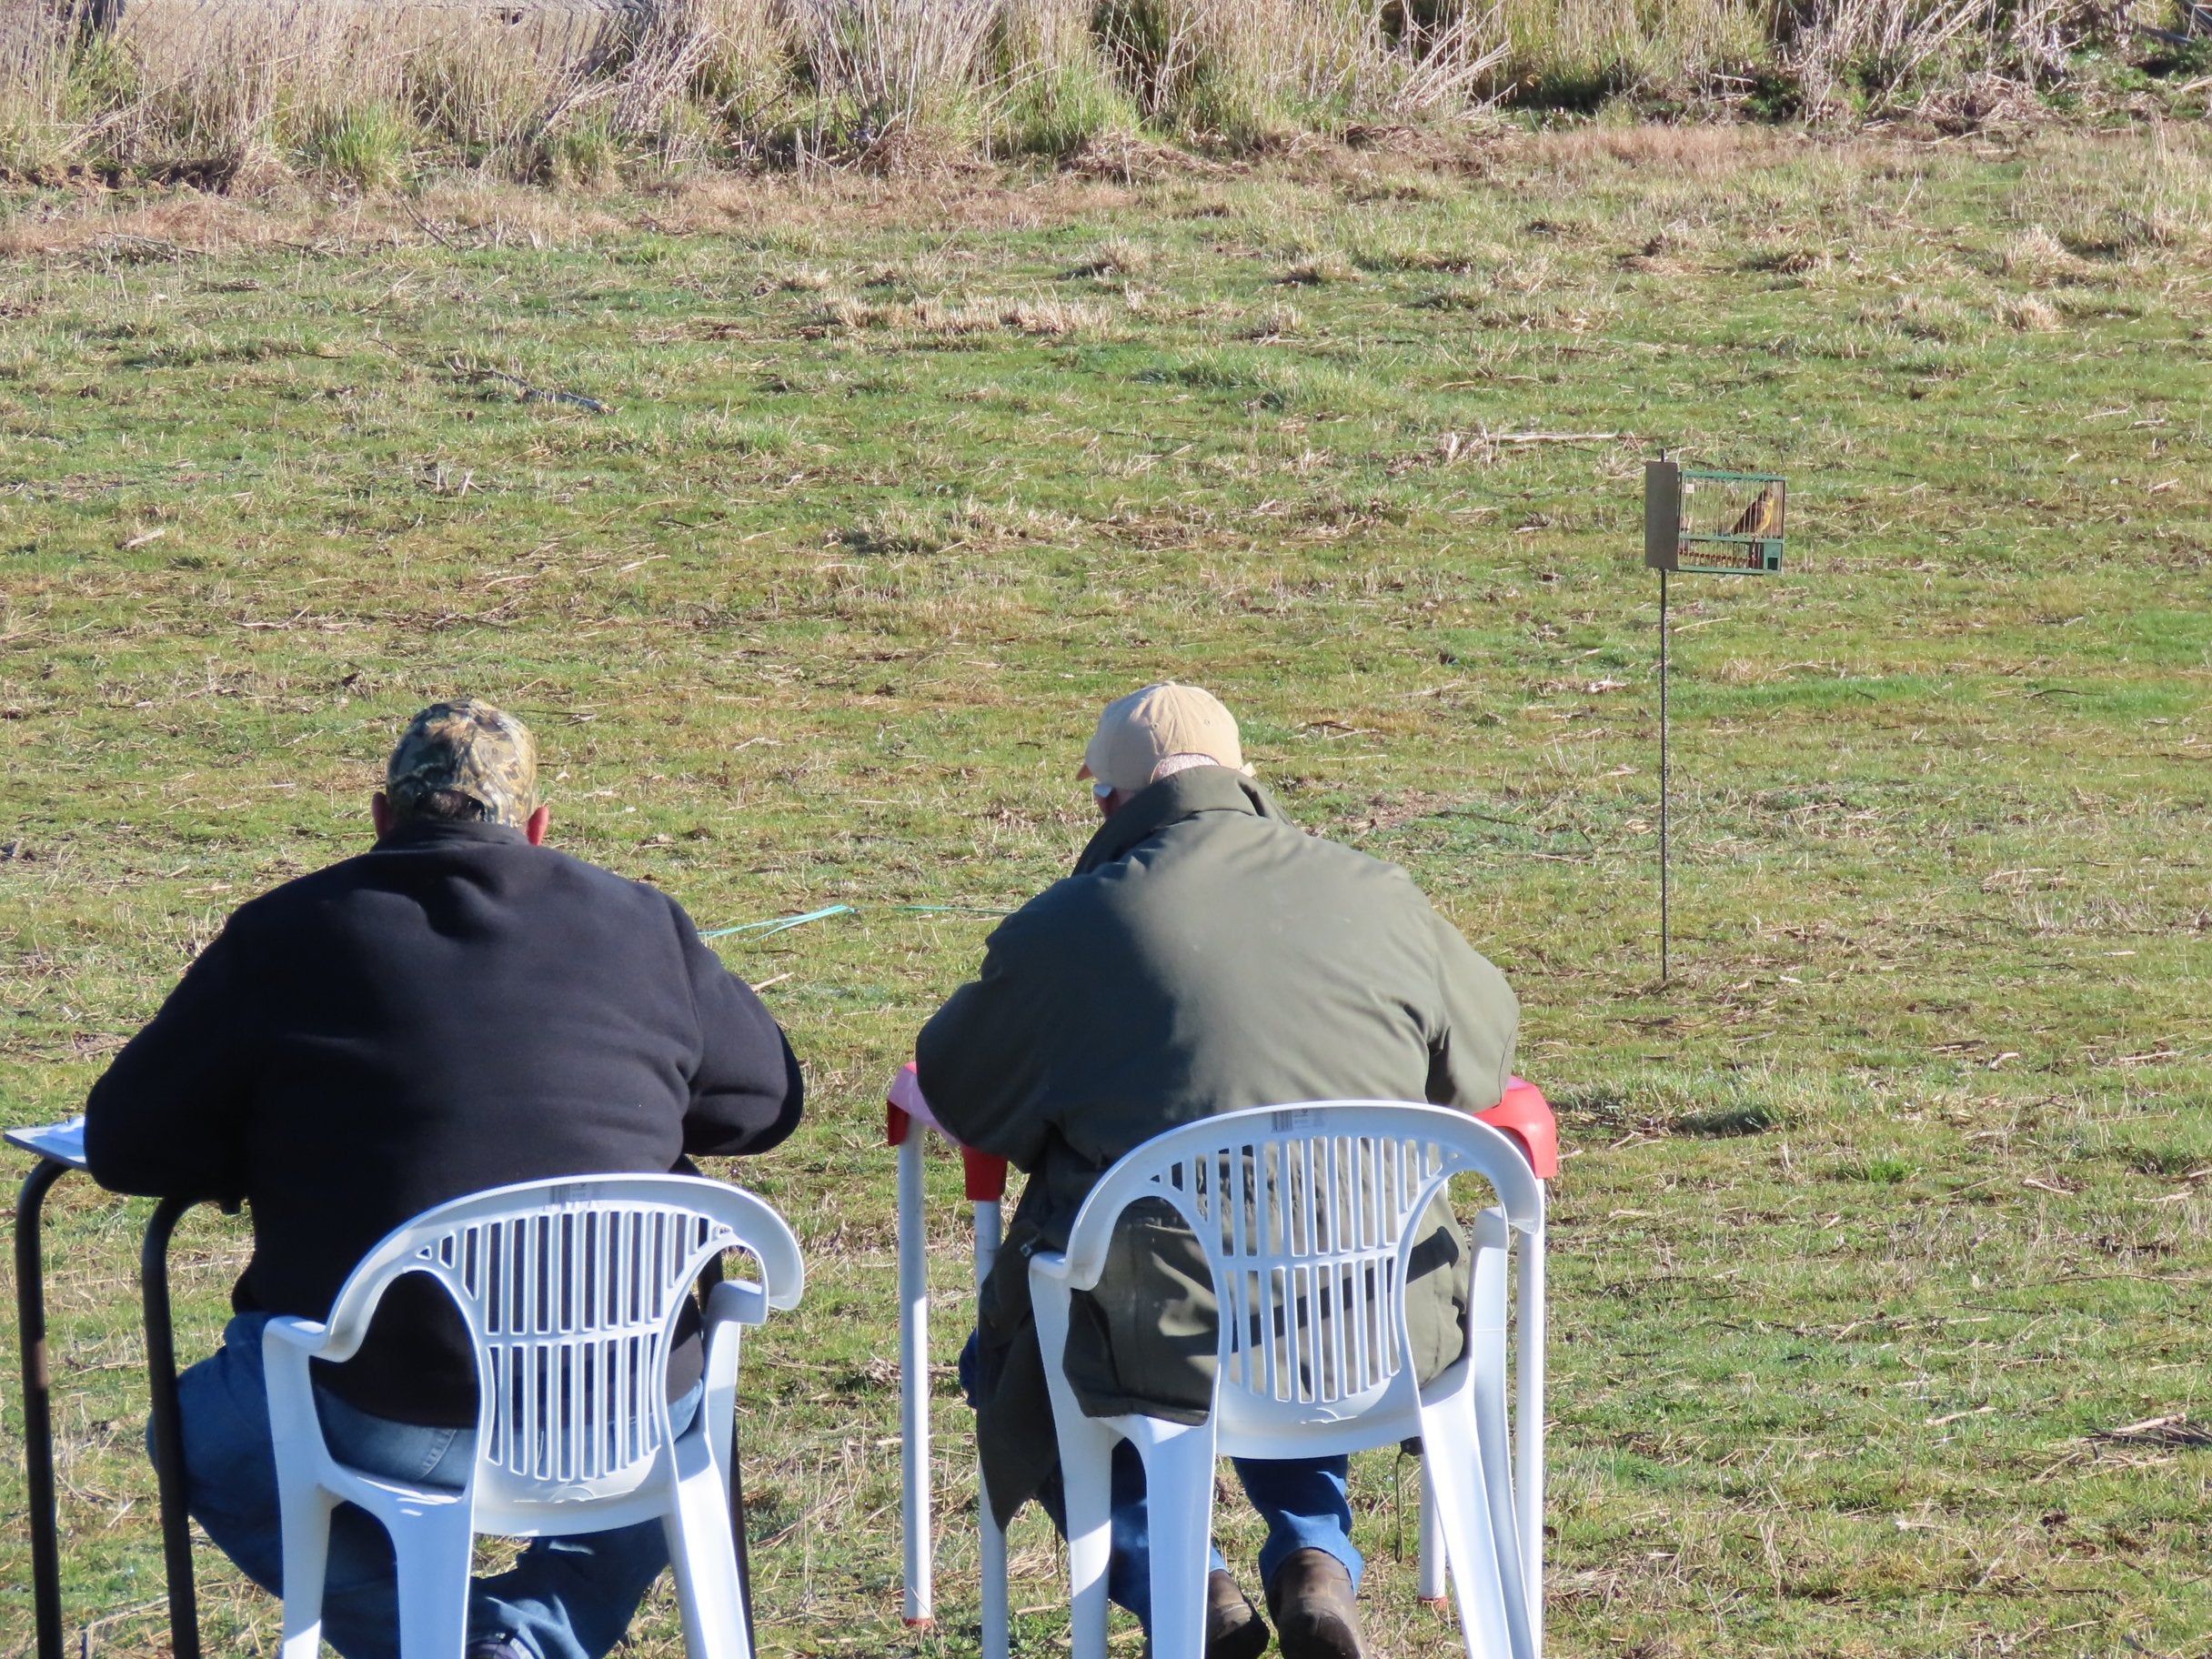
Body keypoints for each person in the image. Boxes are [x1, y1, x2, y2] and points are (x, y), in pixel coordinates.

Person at [85, 699, 804, 1659]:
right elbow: (763, 1107)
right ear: (539, 827)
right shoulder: (646, 924)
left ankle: (463, 1646)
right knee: (682, 1430)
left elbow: (125, 1144)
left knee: (204, 1442)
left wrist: (263, 1144)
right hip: (623, 1401)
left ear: (381, 817)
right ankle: (527, 1640)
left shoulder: (283, 933)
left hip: (383, 1402)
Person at [911, 683, 1520, 1659]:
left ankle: (1180, 1587)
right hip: (1383, 1320)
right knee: (1300, 1277)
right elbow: (1481, 1065)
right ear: (1245, 779)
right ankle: (1315, 1558)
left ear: (1108, 802)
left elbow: (963, 1088)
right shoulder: (1382, 893)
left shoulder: (1067, 927)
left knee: (1011, 1361)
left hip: (1157, 1340)